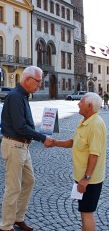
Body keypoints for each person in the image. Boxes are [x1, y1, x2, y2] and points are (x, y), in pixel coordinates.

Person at [0, 66, 53, 231]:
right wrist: (43, 138)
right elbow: (20, 126)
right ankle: (6, 226)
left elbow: (25, 125)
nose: (39, 86)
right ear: (28, 79)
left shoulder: (22, 95)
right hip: (15, 145)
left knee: (29, 181)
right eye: (38, 82)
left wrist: (39, 135)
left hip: (23, 146)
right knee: (13, 187)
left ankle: (18, 217)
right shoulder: (15, 96)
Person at [47, 92, 107, 231]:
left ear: (90, 106)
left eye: (81, 102)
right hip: (82, 178)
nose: (78, 104)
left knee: (87, 213)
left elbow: (94, 154)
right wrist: (55, 143)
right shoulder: (84, 121)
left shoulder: (96, 124)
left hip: (90, 180)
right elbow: (73, 142)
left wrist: (86, 179)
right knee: (84, 211)